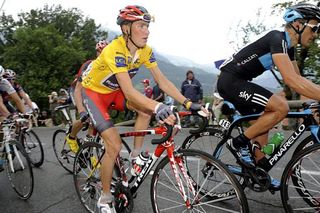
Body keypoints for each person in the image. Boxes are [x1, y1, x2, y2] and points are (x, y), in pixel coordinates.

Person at [81, 5, 205, 212]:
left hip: (115, 92)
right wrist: (158, 106)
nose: (147, 31)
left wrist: (188, 103)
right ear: (126, 28)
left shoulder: (145, 51)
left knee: (144, 110)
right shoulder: (114, 49)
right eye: (141, 26)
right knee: (112, 145)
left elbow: (162, 81)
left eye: (147, 26)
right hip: (95, 95)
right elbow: (130, 92)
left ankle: (135, 155)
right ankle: (104, 198)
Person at [217, 3, 320, 189]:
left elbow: (299, 80)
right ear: (298, 24)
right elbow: (291, 80)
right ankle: (238, 143)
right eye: (315, 28)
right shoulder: (277, 38)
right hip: (230, 81)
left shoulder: (288, 48)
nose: (316, 34)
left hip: (241, 82)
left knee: (265, 127)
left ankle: (259, 171)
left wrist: (313, 99)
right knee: (281, 107)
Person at [65, 40, 108, 153]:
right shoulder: (88, 65)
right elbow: (79, 88)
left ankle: (89, 151)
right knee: (86, 117)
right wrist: (82, 110)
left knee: (95, 118)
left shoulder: (108, 66)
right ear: (97, 53)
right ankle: (71, 137)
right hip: (76, 90)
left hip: (89, 91)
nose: (102, 55)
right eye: (100, 52)